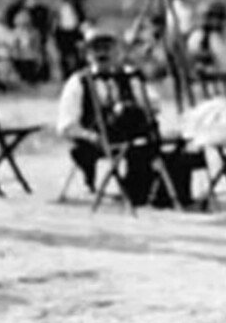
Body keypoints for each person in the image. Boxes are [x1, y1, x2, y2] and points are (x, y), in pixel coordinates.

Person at [57, 27, 198, 206]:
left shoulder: (129, 76)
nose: (102, 54)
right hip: (97, 137)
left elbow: (153, 103)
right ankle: (140, 191)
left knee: (169, 146)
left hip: (132, 134)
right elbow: (66, 125)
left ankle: (158, 193)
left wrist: (135, 104)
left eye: (107, 48)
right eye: (96, 49)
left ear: (116, 52)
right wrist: (92, 136)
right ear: (87, 54)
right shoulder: (79, 82)